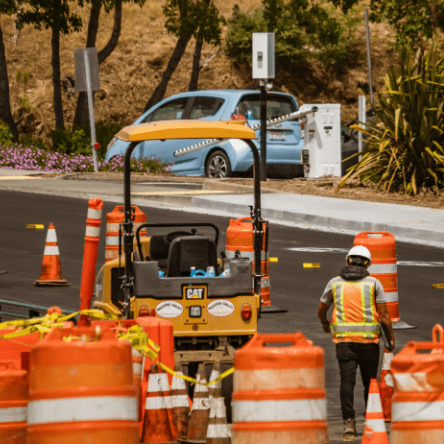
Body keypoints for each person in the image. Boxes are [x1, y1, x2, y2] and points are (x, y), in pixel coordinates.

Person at [317, 245, 394, 442]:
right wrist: (390, 339)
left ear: (347, 260)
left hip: (344, 343)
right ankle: (371, 421)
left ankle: (348, 425)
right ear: (368, 264)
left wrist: (325, 323)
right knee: (371, 383)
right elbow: (384, 315)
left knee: (347, 382)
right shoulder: (374, 284)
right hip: (369, 343)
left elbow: (321, 309)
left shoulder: (334, 283)